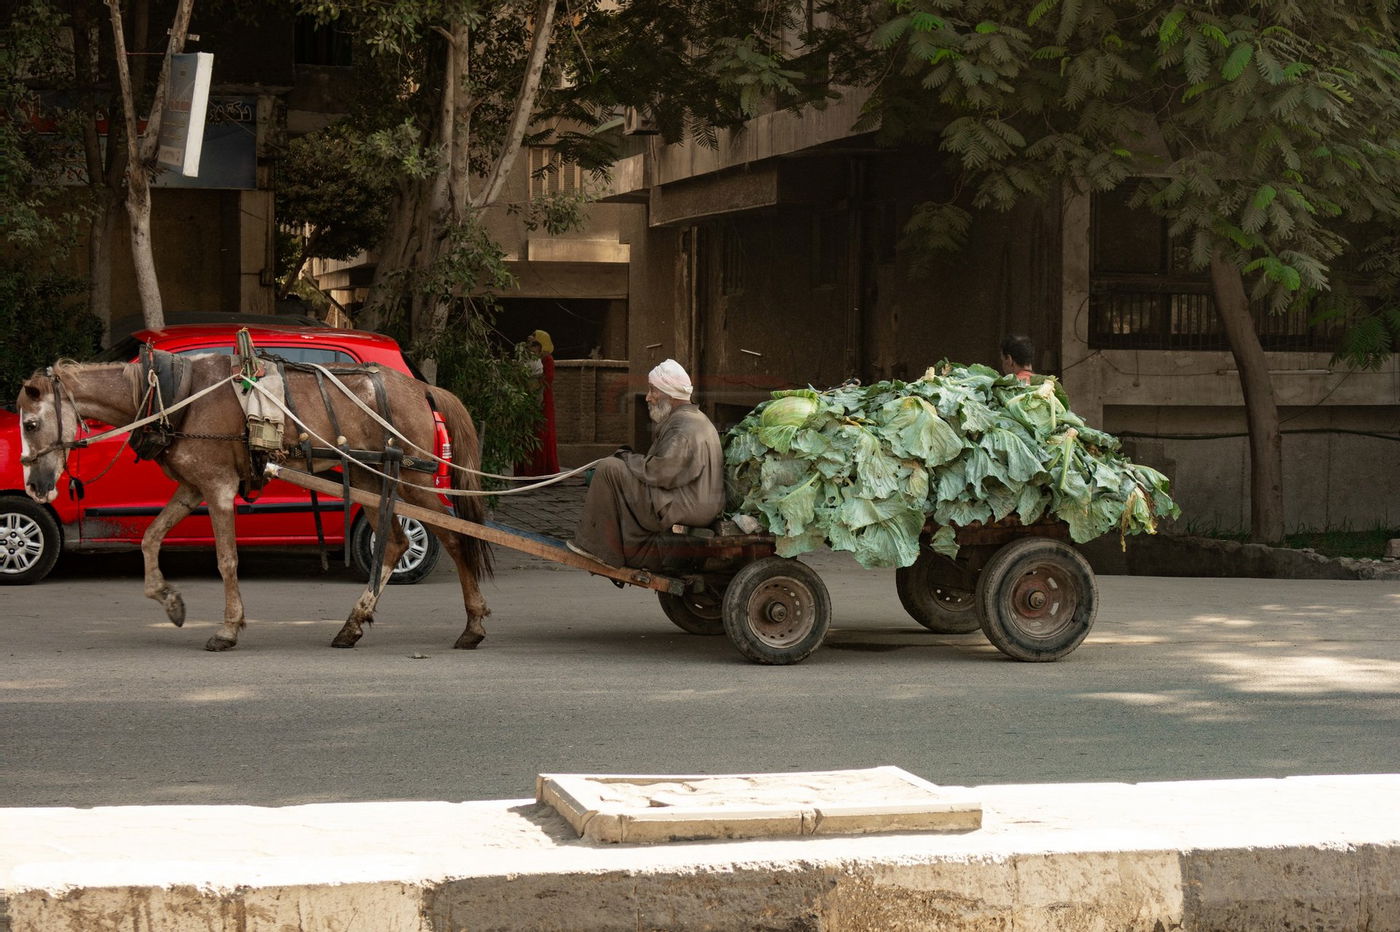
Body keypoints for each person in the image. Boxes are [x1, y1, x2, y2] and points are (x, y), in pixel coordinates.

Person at [567, 359, 724, 569]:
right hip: (694, 503)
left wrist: (626, 458)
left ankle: (598, 549)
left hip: (685, 506)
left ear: (669, 393)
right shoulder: (692, 418)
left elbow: (662, 473)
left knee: (608, 468)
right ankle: (618, 546)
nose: (648, 398)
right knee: (618, 468)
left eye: (653, 391)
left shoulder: (683, 426)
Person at [516, 329, 560, 476]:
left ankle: (541, 471)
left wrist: (534, 385)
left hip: (543, 401)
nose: (533, 347)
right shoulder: (529, 358)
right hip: (528, 399)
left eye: (535, 344)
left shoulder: (547, 359)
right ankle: (526, 471)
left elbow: (547, 379)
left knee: (542, 434)